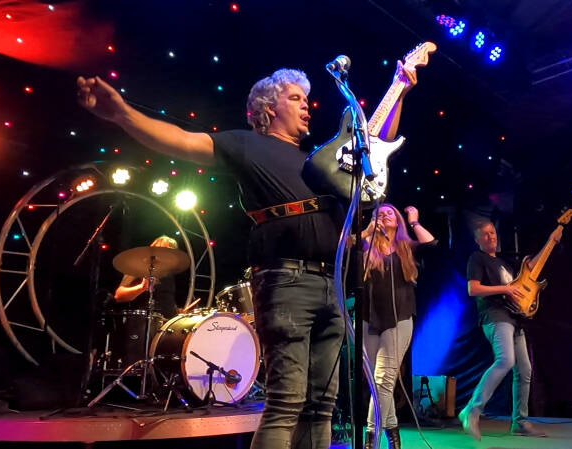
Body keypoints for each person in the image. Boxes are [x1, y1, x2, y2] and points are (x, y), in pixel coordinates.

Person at [77, 60, 417, 448]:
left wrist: (400, 89)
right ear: (269, 107)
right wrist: (122, 113)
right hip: (287, 281)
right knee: (286, 403)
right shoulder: (246, 145)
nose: (306, 105)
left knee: (321, 407)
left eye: (306, 99)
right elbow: (182, 140)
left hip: (333, 285)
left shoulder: (318, 161)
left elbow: (375, 144)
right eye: (295, 98)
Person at [458, 220, 562, 440]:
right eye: (485, 234)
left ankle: (520, 422)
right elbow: (473, 289)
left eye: (493, 232)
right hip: (495, 315)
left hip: (515, 319)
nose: (491, 237)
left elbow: (530, 269)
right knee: (505, 360)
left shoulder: (504, 263)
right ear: (477, 240)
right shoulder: (477, 258)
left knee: (524, 370)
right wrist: (505, 289)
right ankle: (471, 410)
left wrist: (550, 241)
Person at [360, 204, 435, 449]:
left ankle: (371, 439)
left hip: (400, 318)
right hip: (369, 319)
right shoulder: (365, 246)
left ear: (398, 220)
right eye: (379, 213)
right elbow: (341, 246)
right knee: (377, 382)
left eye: (389, 213)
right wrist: (367, 232)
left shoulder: (406, 246)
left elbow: (431, 245)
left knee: (383, 379)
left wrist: (414, 222)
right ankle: (393, 435)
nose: (384, 215)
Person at [113, 235, 180, 319]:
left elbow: (166, 299)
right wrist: (142, 287)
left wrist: (177, 311)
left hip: (167, 322)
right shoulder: (139, 267)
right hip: (144, 322)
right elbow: (119, 295)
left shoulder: (169, 274)